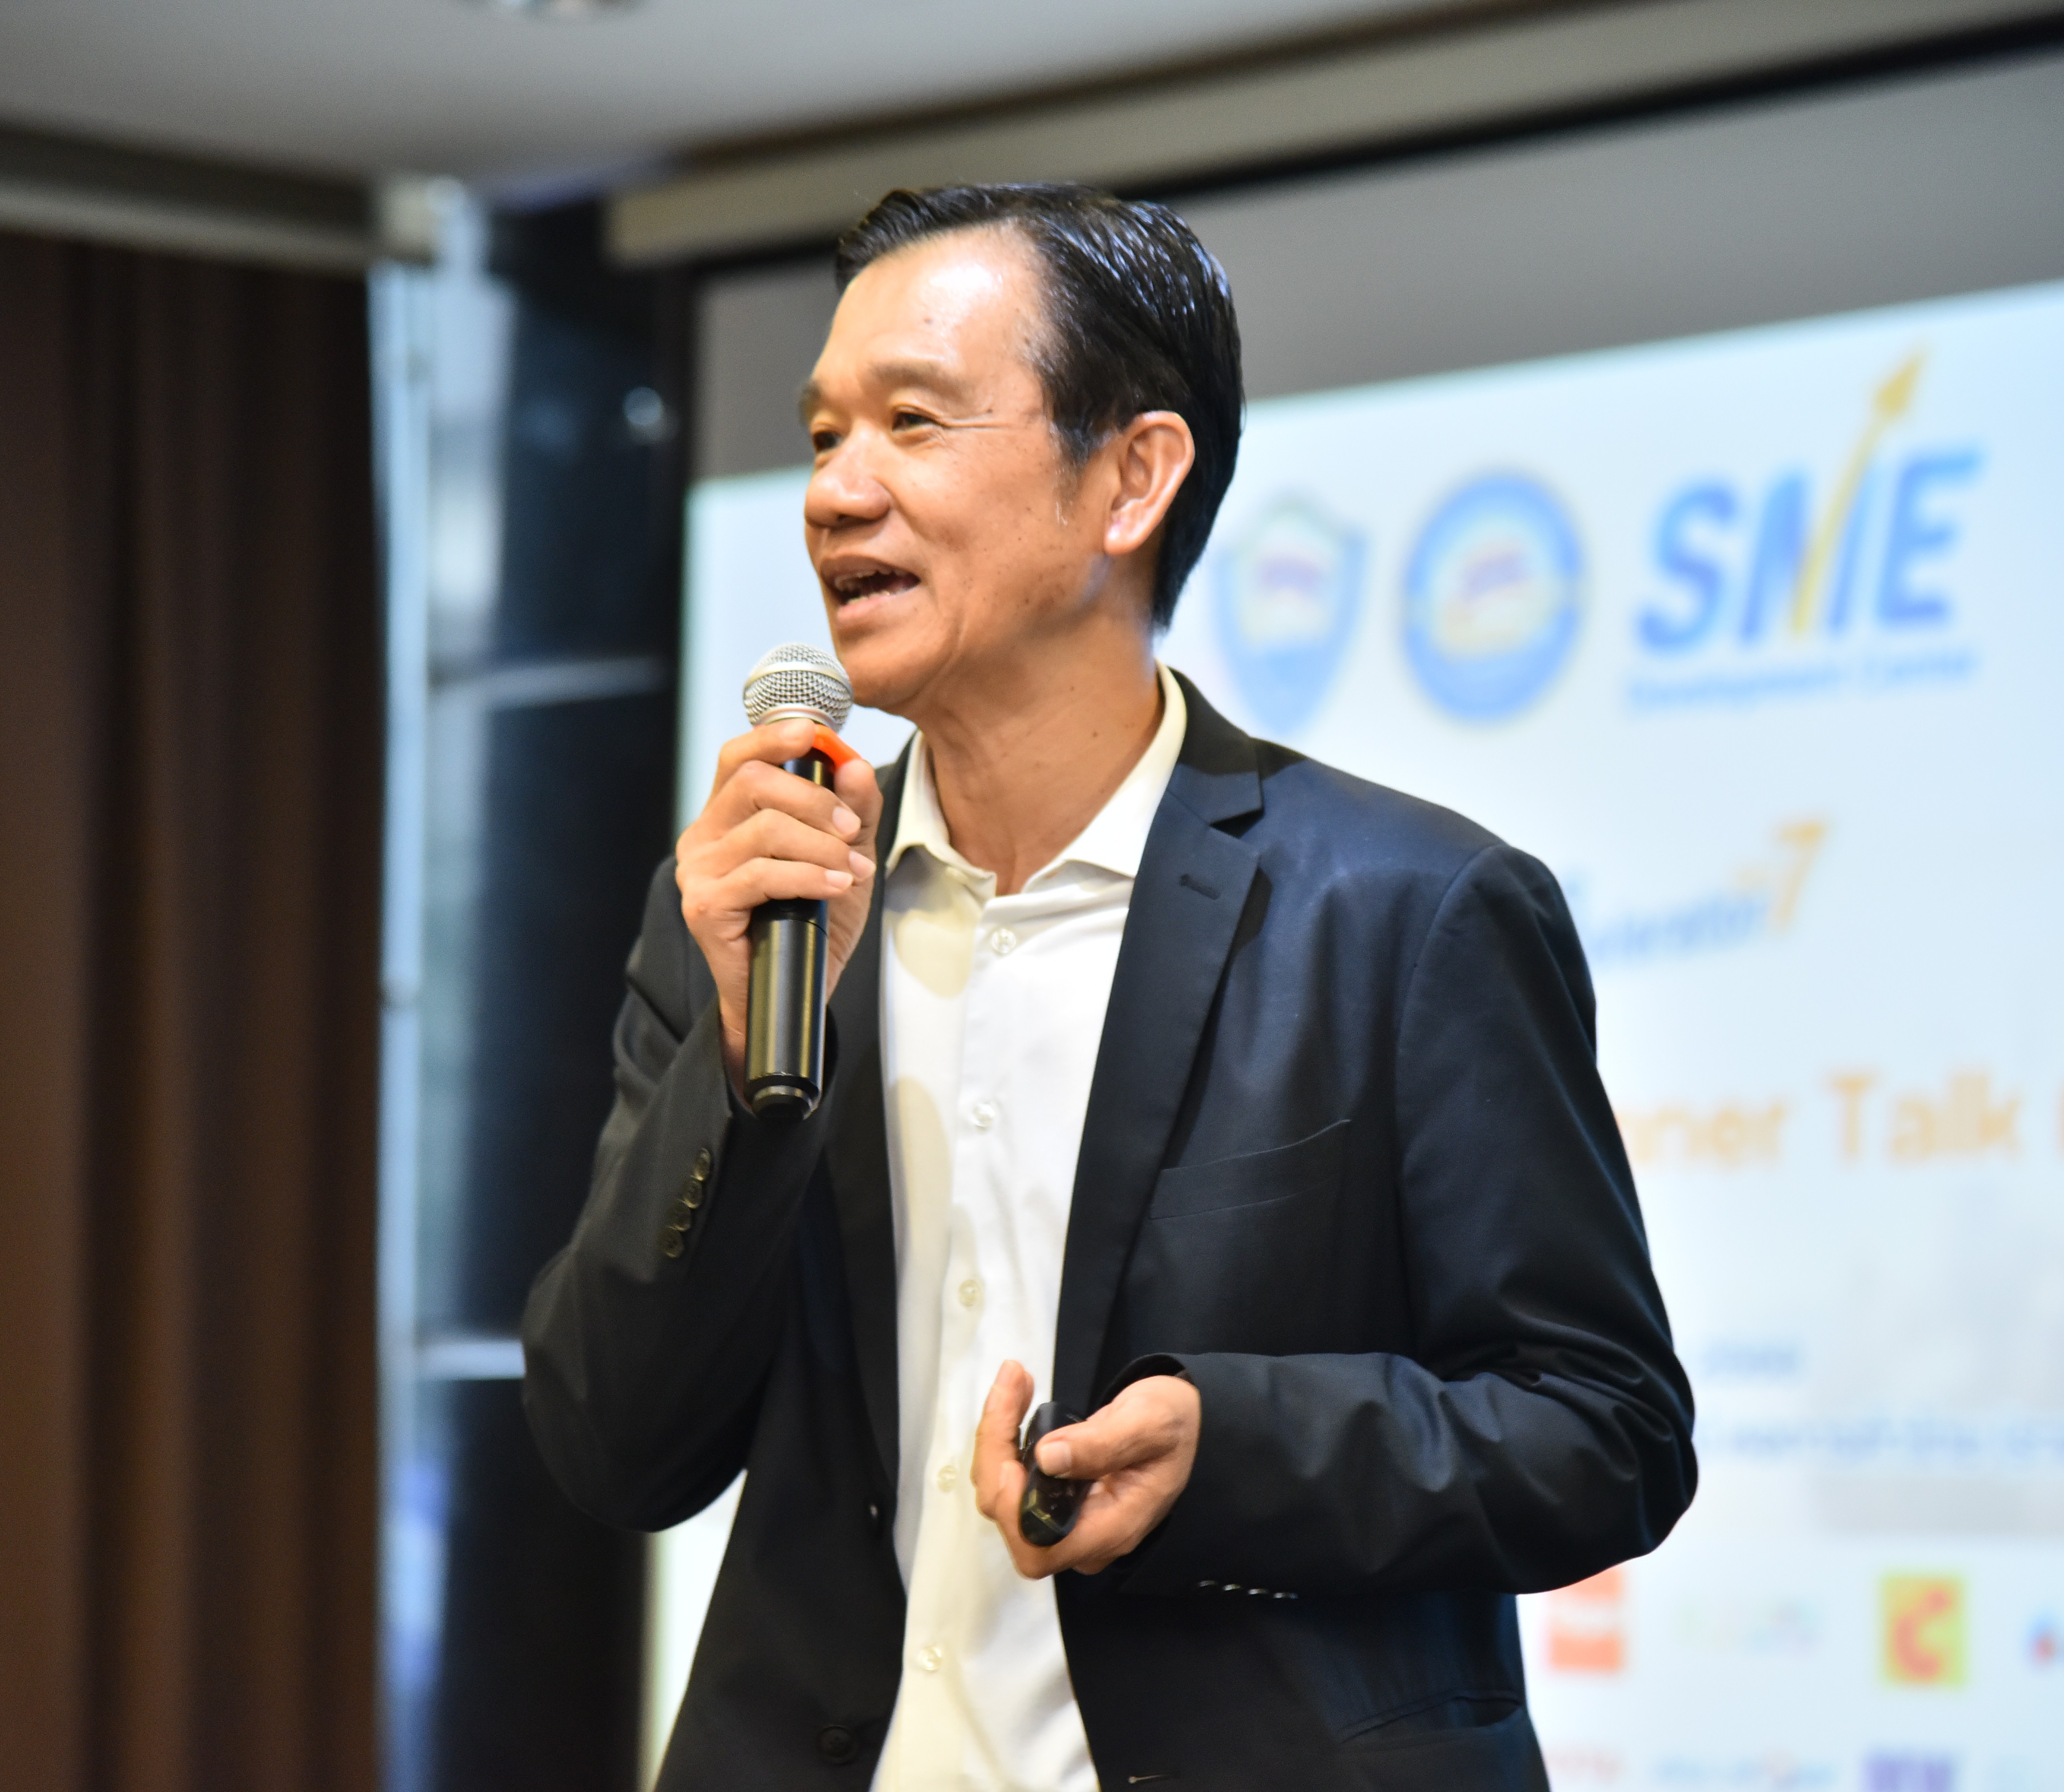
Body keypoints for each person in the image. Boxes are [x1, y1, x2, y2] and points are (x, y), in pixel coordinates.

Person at [524, 183, 1694, 1791]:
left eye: (912, 422)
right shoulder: (757, 908)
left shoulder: (1408, 912)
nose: (837, 493)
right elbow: (613, 1446)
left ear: (1133, 476)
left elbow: (1604, 1428)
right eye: (821, 436)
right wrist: (736, 1070)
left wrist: (1237, 1449)